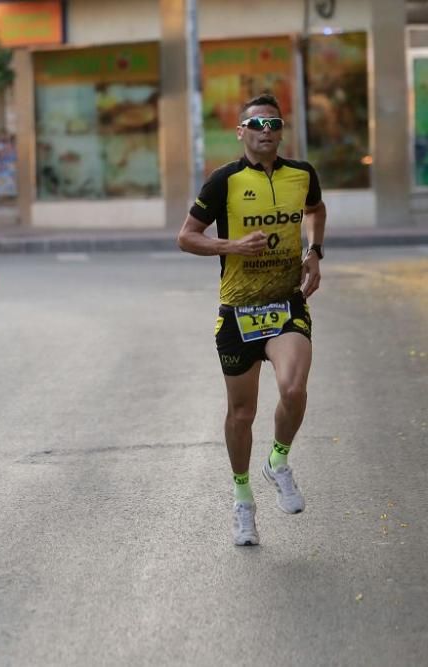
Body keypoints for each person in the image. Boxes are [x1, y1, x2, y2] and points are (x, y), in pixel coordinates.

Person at [177, 94, 326, 547]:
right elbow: (186, 237)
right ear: (241, 131)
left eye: (274, 122)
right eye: (257, 123)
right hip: (238, 312)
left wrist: (314, 252)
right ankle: (243, 498)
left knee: (294, 389)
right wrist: (232, 247)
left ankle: (278, 461)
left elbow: (317, 210)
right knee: (242, 413)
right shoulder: (223, 181)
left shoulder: (302, 174)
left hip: (286, 304)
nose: (267, 129)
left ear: (281, 131)